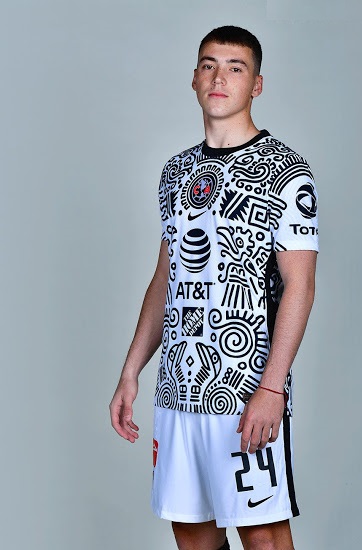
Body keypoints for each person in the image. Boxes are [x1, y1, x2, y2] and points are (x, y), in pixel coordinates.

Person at [109, 25, 318, 550]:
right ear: (195, 79)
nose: (219, 78)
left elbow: (300, 286)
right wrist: (131, 371)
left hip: (245, 389)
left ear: (257, 85)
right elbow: (165, 278)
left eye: (235, 68)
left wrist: (272, 389)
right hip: (178, 389)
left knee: (263, 535)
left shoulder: (286, 171)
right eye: (209, 65)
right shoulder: (175, 172)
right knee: (192, 533)